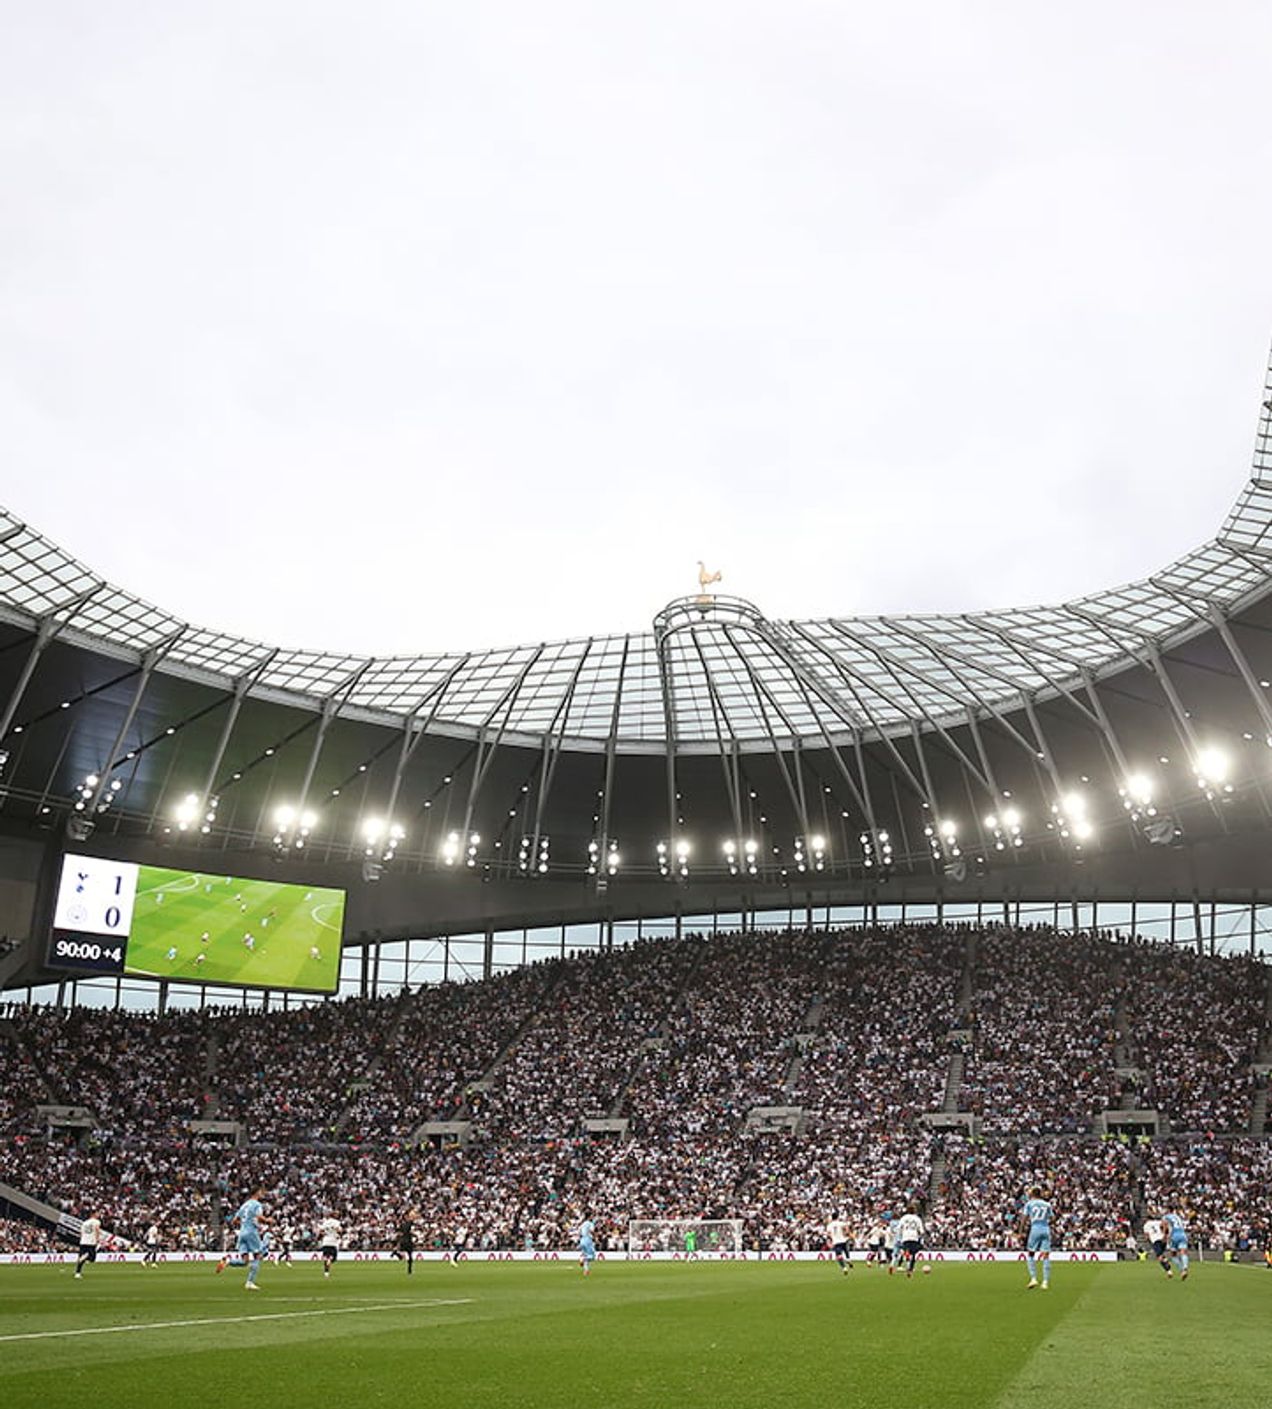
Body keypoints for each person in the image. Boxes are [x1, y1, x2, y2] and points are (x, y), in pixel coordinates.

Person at [216, 1186, 267, 1291]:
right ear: (257, 1193)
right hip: (251, 1233)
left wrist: (244, 1223)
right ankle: (250, 1282)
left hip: (242, 1233)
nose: (262, 1194)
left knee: (245, 1261)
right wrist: (268, 1220)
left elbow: (234, 1221)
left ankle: (228, 1261)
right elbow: (260, 1217)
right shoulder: (257, 1204)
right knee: (258, 1256)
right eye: (261, 1192)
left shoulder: (244, 1205)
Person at [1023, 1186, 1054, 1291]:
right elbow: (1053, 1218)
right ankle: (1045, 1282)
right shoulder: (1047, 1204)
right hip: (1045, 1229)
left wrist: (1020, 1231)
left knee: (1031, 1253)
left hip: (1035, 1228)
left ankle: (1033, 1278)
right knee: (1046, 1255)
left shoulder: (1029, 1204)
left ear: (1032, 1194)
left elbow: (1024, 1218)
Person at [895, 1206, 924, 1279]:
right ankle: (910, 1269)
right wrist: (921, 1237)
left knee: (906, 1250)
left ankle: (906, 1254)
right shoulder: (917, 1219)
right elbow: (921, 1231)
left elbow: (899, 1228)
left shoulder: (904, 1218)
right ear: (914, 1211)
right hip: (914, 1237)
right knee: (913, 1254)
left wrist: (899, 1237)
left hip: (905, 1237)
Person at [1163, 1209, 1190, 1281]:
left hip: (1173, 1236)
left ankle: (1181, 1270)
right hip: (1182, 1235)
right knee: (1183, 1252)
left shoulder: (1165, 1217)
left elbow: (1165, 1227)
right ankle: (1185, 1268)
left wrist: (1165, 1236)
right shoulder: (1178, 1217)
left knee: (1173, 1255)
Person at [74, 1211, 101, 1279]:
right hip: (91, 1242)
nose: (99, 1215)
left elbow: (81, 1232)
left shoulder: (85, 1222)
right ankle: (86, 1256)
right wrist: (98, 1239)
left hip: (83, 1241)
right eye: (98, 1213)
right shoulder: (96, 1221)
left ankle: (77, 1273)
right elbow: (97, 1230)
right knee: (92, 1258)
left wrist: (81, 1240)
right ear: (93, 1214)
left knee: (82, 1259)